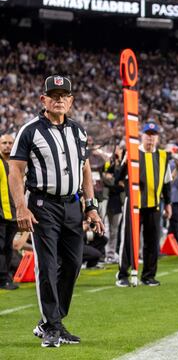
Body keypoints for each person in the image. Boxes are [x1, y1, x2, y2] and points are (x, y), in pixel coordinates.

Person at [8, 75, 105, 347]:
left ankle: (52, 321)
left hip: (73, 204)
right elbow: (15, 171)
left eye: (64, 95)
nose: (59, 99)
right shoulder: (30, 130)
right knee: (48, 265)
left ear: (71, 101)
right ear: (44, 100)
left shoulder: (79, 132)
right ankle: (51, 326)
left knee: (73, 264)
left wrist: (92, 206)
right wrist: (21, 207)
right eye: (54, 95)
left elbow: (85, 169)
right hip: (43, 204)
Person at [115, 121, 172, 288]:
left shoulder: (162, 156)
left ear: (158, 138)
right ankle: (122, 274)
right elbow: (118, 178)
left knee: (152, 241)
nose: (150, 139)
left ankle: (148, 275)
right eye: (148, 136)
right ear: (142, 136)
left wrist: (168, 203)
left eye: (154, 136)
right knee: (128, 240)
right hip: (134, 204)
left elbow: (167, 182)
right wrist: (124, 163)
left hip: (154, 204)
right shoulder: (132, 153)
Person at [0, 133, 19, 290]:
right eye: (4, 143)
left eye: (10, 143)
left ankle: (6, 277)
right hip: (1, 213)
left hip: (13, 214)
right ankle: (3, 279)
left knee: (8, 247)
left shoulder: (16, 163)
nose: (7, 145)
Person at [102, 145, 125, 263]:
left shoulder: (123, 164)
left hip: (117, 201)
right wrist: (116, 183)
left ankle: (111, 253)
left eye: (119, 149)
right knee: (107, 228)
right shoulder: (109, 163)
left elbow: (122, 183)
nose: (117, 151)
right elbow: (106, 178)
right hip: (107, 199)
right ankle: (106, 253)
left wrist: (113, 181)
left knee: (114, 230)